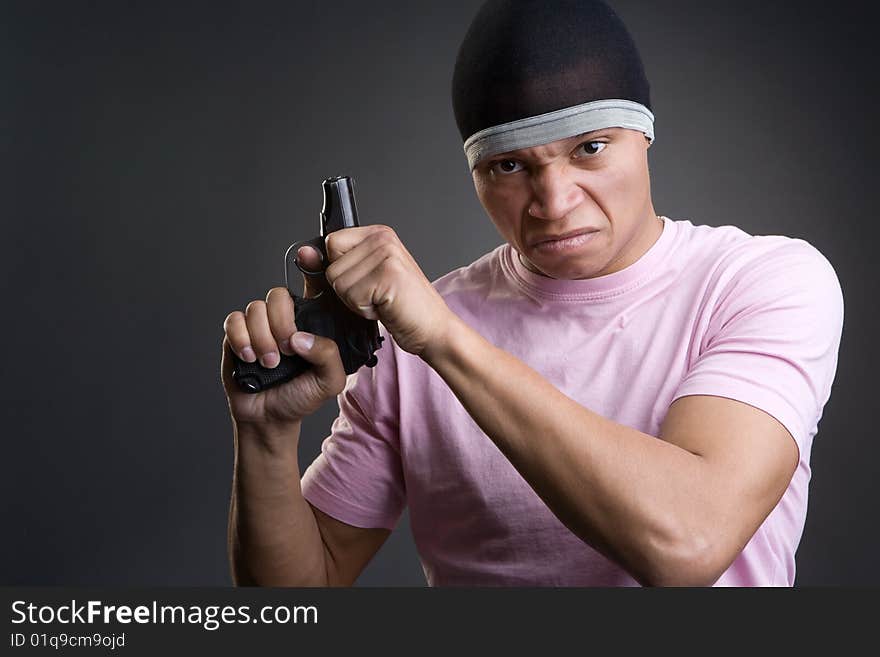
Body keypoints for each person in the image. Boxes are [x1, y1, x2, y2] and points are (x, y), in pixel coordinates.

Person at [219, 0, 844, 586]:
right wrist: (268, 439)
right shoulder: (410, 339)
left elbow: (686, 543)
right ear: (475, 175)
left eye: (590, 149)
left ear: (644, 136)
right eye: (509, 166)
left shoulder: (762, 282)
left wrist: (444, 341)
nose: (554, 202)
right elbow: (299, 595)